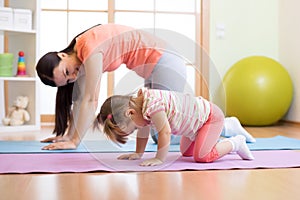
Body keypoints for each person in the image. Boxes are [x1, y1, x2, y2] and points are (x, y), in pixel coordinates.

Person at [36, 23, 255, 150]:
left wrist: (75, 141)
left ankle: (225, 126)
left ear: (63, 55)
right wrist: (66, 136)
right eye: (68, 80)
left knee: (164, 132)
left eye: (67, 71)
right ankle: (215, 124)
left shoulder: (90, 48)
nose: (73, 75)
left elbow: (90, 99)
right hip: (156, 68)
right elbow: (79, 99)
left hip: (166, 63)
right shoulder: (81, 51)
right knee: (152, 130)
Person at [95, 87, 254, 166]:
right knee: (186, 153)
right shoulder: (140, 109)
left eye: (134, 128)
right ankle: (228, 125)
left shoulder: (153, 105)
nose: (139, 129)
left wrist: (159, 158)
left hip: (210, 118)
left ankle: (236, 142)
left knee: (202, 157)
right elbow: (143, 131)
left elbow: (165, 132)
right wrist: (138, 153)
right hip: (194, 126)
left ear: (130, 113)